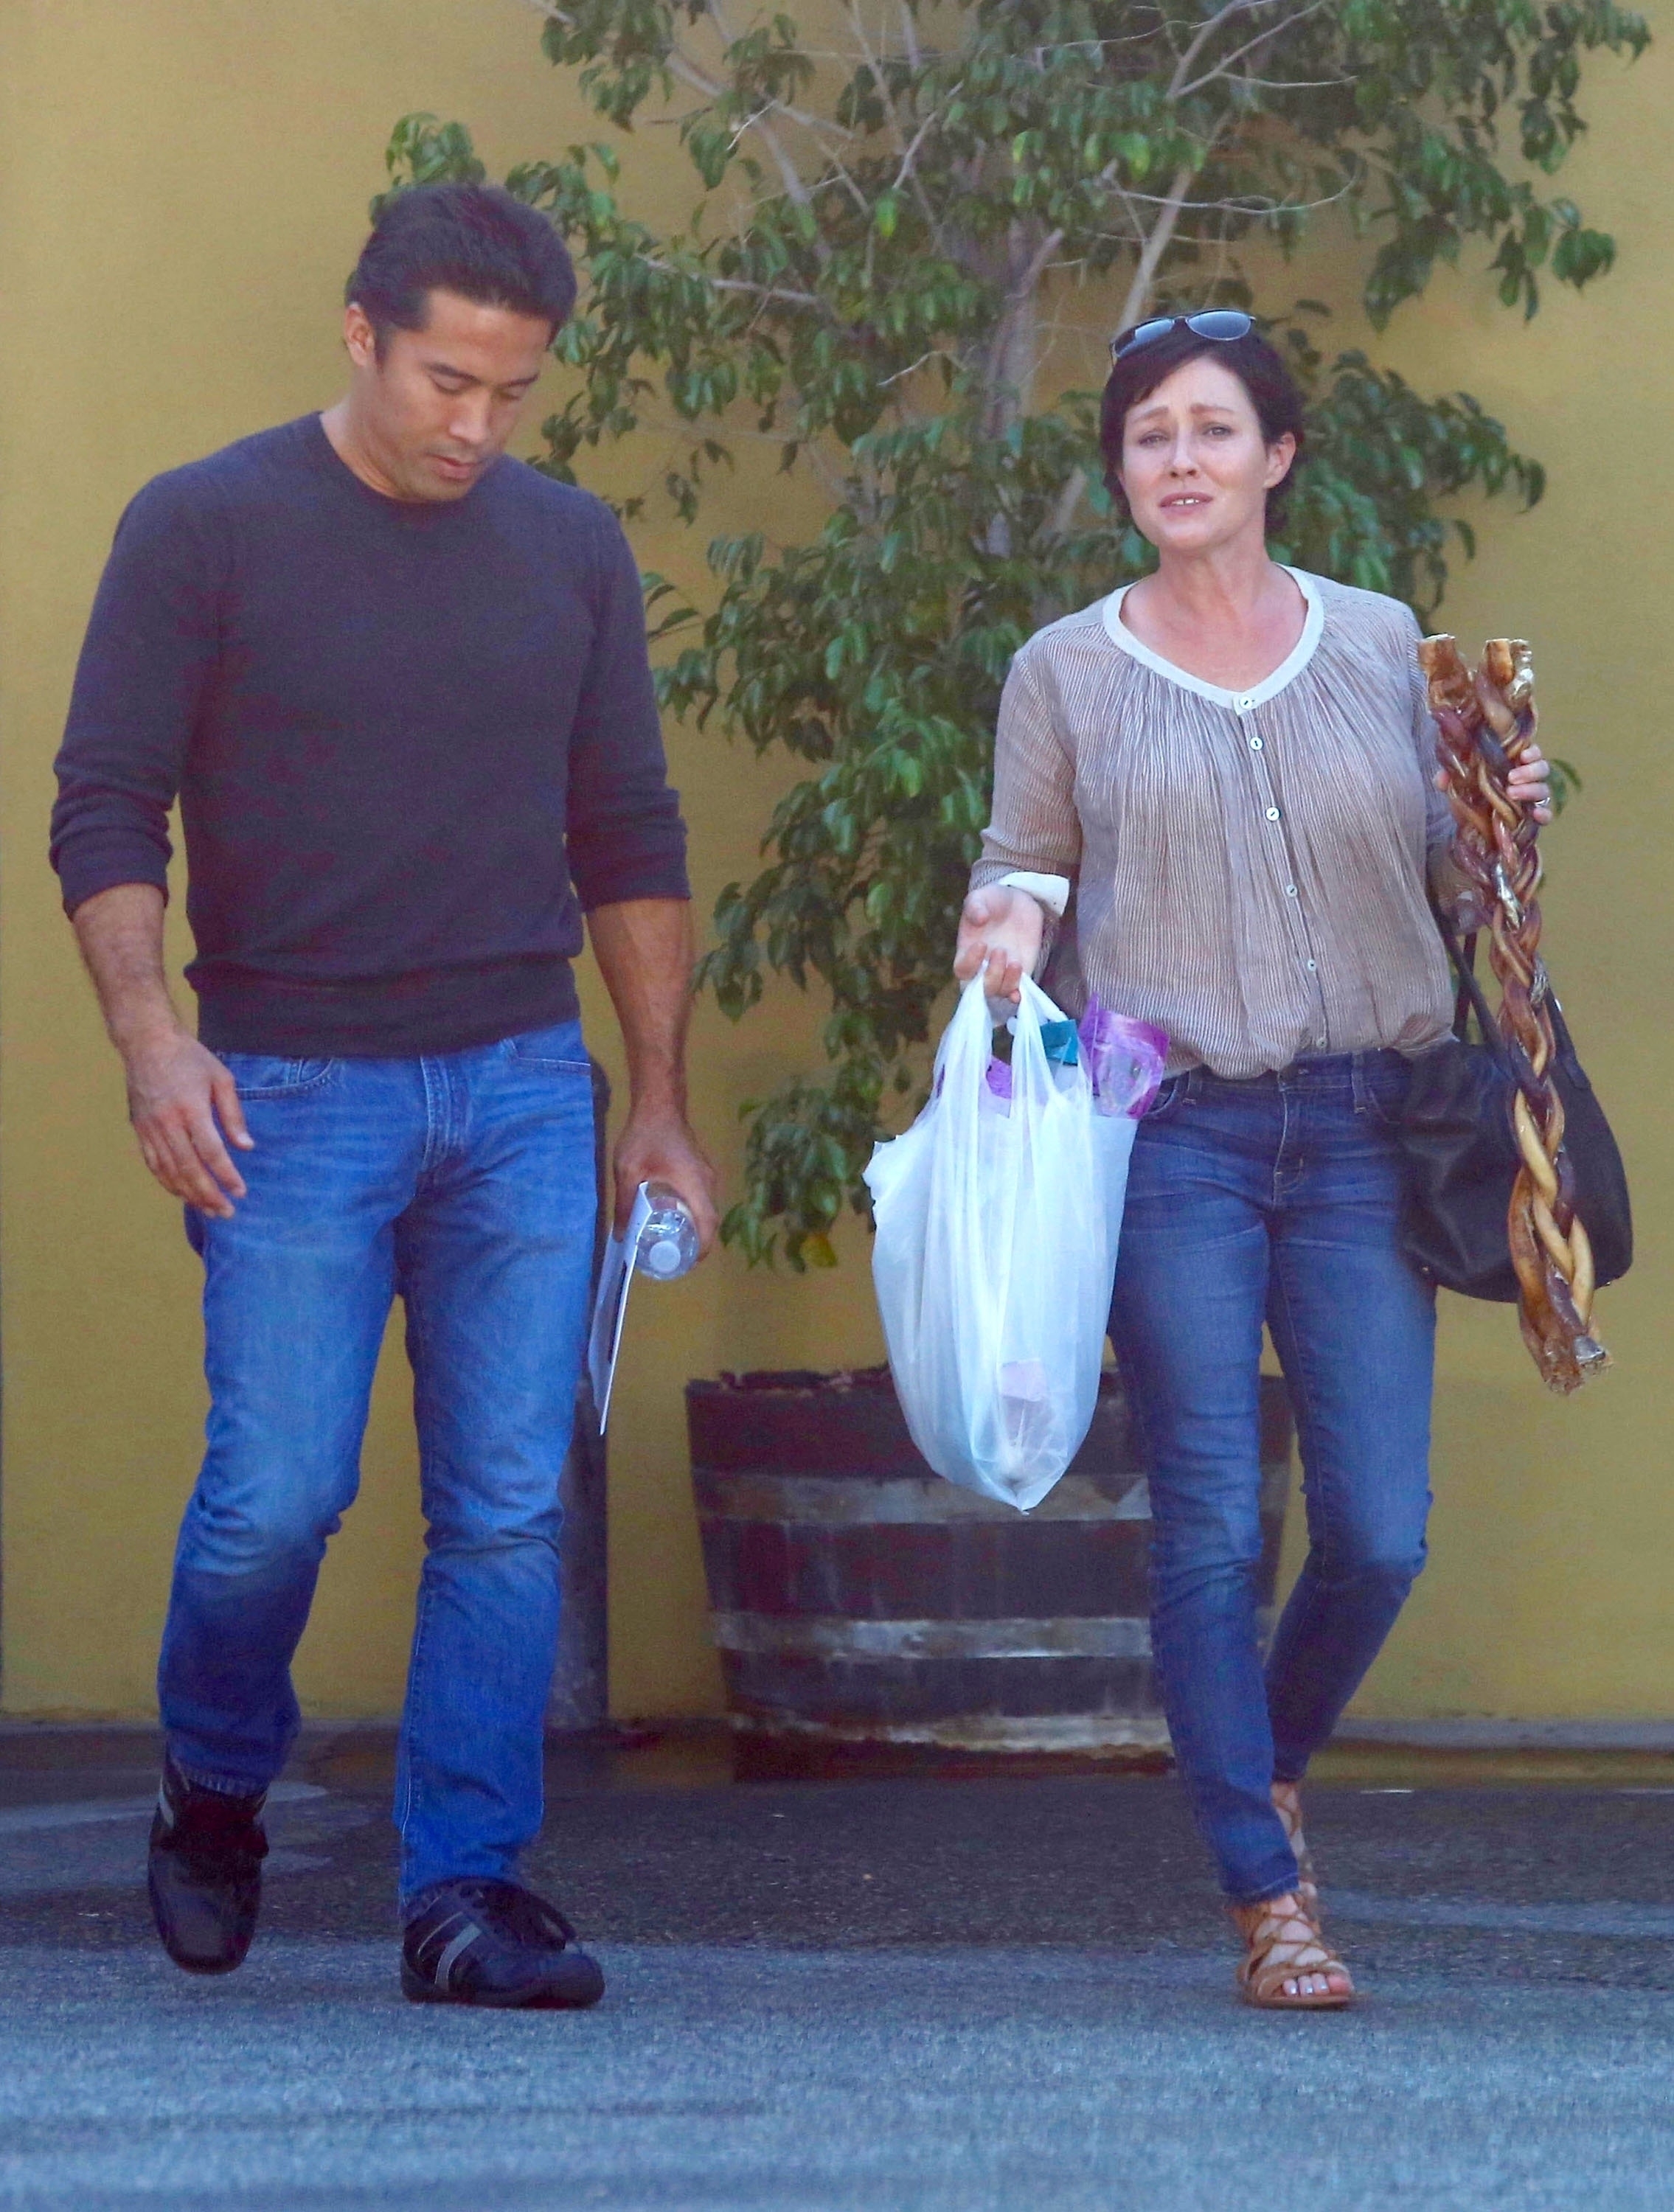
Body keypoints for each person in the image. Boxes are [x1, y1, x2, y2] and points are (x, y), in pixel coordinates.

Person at [50, 183, 718, 2008]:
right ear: (362, 334)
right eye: (446, 381)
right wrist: (153, 1042)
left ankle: (464, 1893)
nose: (475, 426)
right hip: (282, 1091)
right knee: (277, 1496)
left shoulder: (568, 547)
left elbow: (628, 832)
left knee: (505, 1506)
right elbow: (106, 802)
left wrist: (657, 1101)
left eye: (512, 393)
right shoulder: (205, 526)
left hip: (520, 1088)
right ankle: (212, 1781)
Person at [954, 310, 1551, 2009]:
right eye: (1149, 435)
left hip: (1366, 1126)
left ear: (1276, 457)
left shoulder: (1379, 645)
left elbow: (1455, 880)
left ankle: (1259, 1765)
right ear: (1122, 470)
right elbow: (1025, 860)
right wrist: (1006, 925)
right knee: (1210, 1522)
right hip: (1174, 1136)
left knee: (1377, 1531)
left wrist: (1509, 811)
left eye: (1212, 429)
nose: (1181, 460)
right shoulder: (1065, 669)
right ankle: (1264, 1890)